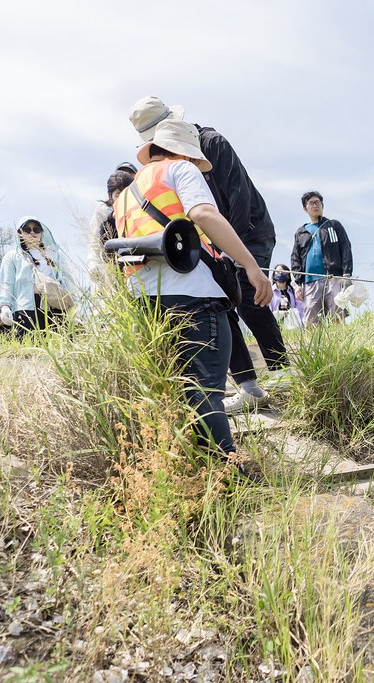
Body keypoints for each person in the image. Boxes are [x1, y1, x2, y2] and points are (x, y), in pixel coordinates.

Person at [113, 119, 272, 475]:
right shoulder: (179, 169)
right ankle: (228, 471)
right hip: (193, 295)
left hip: (146, 303)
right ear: (181, 151)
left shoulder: (124, 196)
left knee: (181, 388)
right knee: (205, 390)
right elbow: (203, 213)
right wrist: (250, 265)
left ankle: (193, 468)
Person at [128, 96, 287, 413]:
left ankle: (284, 370)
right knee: (221, 302)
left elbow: (238, 197)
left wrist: (235, 254)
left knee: (249, 297)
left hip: (249, 231)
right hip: (213, 242)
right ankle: (248, 386)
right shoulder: (168, 166)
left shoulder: (212, 142)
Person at [0, 217, 73, 338]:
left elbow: (66, 279)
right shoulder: (12, 256)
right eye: (27, 229)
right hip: (26, 308)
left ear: (41, 232)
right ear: (20, 233)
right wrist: (5, 306)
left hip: (55, 305)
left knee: (59, 345)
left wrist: (73, 303)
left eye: (36, 229)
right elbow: (6, 283)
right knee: (29, 346)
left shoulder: (55, 255)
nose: (32, 233)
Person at [289, 191, 353, 326]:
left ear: (322, 205)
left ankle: (339, 345)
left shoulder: (333, 225)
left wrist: (347, 274)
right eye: (311, 203)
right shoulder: (301, 232)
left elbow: (346, 248)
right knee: (311, 322)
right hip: (310, 281)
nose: (315, 205)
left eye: (318, 202)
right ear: (305, 208)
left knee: (337, 316)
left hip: (333, 278)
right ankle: (313, 347)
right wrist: (297, 283)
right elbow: (295, 258)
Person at [87, 165, 137, 285]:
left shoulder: (141, 208)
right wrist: (93, 263)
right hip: (111, 268)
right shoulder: (104, 211)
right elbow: (94, 240)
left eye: (130, 175)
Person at [269, 264, 304, 330]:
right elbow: (268, 309)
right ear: (274, 275)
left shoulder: (293, 292)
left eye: (283, 272)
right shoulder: (270, 292)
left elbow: (300, 309)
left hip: (292, 325)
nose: (280, 274)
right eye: (277, 272)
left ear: (288, 275)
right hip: (275, 323)